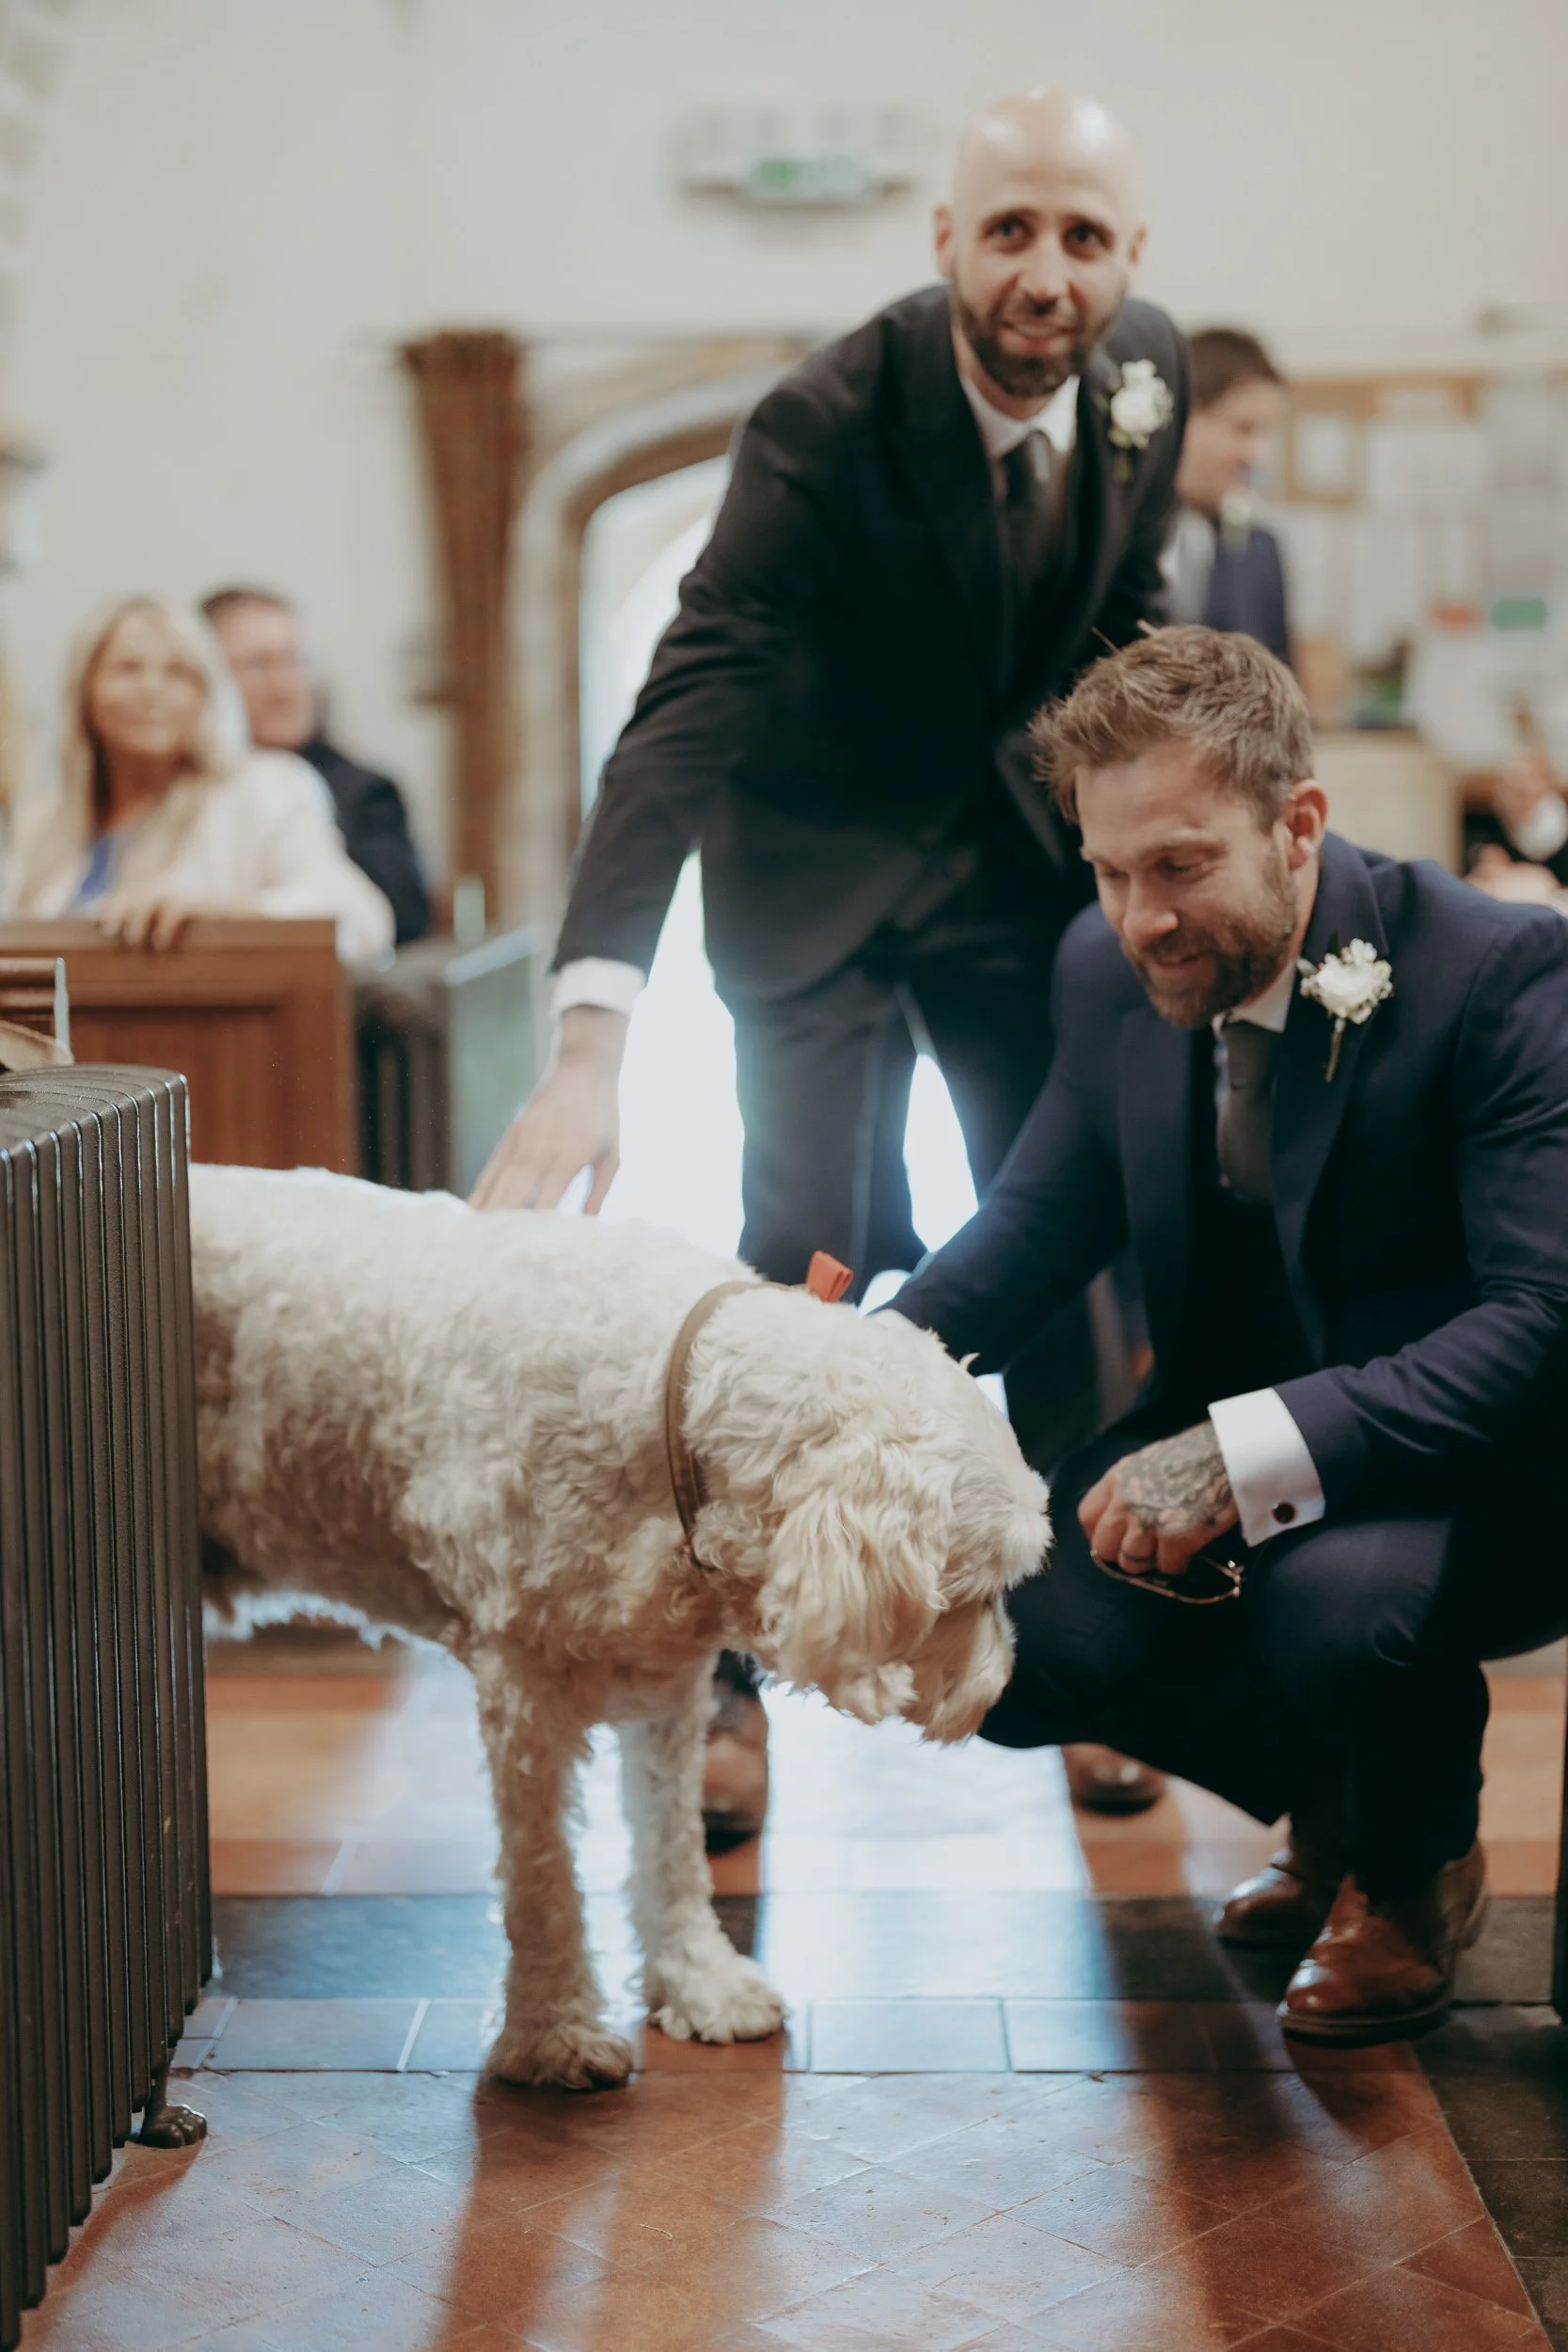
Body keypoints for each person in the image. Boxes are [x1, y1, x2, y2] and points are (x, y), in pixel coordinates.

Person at [472, 87, 1191, 1831]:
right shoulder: (822, 419)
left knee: (1076, 1258)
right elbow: (688, 699)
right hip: (812, 894)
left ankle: (1090, 1661)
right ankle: (733, 1681)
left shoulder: (1139, 379)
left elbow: (1113, 623)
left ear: (1127, 262)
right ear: (943, 239)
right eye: (1007, 229)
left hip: (1020, 889)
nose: (1044, 272)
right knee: (804, 1254)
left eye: (1080, 238)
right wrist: (591, 1037)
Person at [892, 625, 1568, 2043]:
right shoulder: (1102, 967)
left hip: (1472, 1465)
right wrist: (834, 1378)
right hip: (1224, 1414)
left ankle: (1410, 1869)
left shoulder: (1493, 973)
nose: (1138, 917)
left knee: (1331, 1605)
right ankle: (1329, 1799)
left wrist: (1247, 1450)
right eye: (1107, 871)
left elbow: (1538, 1320)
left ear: (1297, 825)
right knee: (995, 1622)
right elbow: (1030, 1227)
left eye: (1178, 865)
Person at [5, 596, 395, 966]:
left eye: (178, 672)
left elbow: (361, 921)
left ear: (207, 694)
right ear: (86, 691)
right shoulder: (41, 822)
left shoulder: (262, 789)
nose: (151, 689)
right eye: (128, 668)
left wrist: (228, 915)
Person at [201, 586, 431, 945]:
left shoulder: (365, 795)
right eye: (258, 665)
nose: (285, 685)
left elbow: (396, 916)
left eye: (295, 660)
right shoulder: (180, 790)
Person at [1164, 327, 1291, 662]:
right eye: (1243, 429)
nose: (1257, 456)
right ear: (1181, 416)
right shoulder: (1107, 540)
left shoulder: (1261, 551)